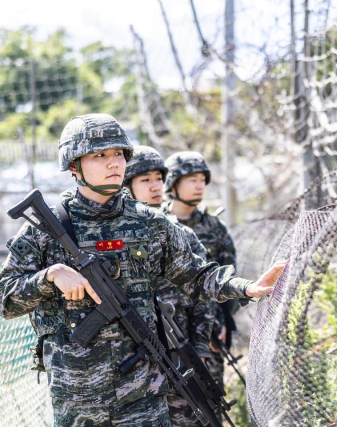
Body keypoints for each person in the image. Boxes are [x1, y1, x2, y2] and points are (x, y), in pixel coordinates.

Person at [0, 114, 284, 427]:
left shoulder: (151, 223)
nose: (113, 163)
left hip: (143, 392)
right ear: (74, 166)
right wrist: (50, 277)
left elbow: (197, 276)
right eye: (99, 155)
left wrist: (246, 287)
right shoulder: (44, 229)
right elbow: (3, 300)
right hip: (76, 398)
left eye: (118, 154)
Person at [124, 145, 213, 426]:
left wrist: (200, 348)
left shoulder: (179, 233)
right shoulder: (111, 236)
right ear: (128, 186)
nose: (155, 187)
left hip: (178, 350)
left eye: (159, 179)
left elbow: (203, 296)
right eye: (145, 180)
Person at [162, 151, 239, 401]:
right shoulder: (158, 224)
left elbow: (228, 277)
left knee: (208, 398)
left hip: (209, 330)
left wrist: (224, 321)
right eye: (191, 179)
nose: (199, 186)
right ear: (173, 183)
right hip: (168, 329)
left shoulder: (214, 228)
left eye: (202, 180)